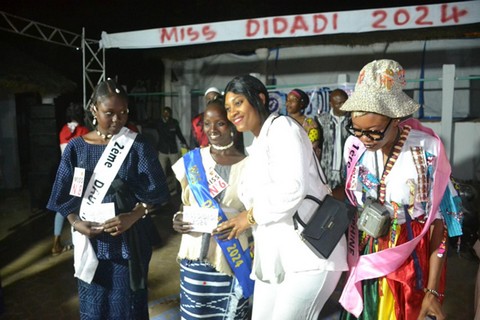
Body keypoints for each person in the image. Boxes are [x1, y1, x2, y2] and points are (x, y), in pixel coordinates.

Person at [338, 59, 463, 320]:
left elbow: (441, 224)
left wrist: (432, 289)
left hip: (410, 257)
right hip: (367, 249)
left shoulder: (427, 149)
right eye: (357, 130)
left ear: (395, 120)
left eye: (372, 132)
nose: (363, 139)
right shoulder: (355, 146)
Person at [215, 75, 348, 320]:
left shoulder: (283, 130)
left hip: (309, 254)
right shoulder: (259, 143)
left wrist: (250, 217)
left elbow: (291, 189)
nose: (232, 112)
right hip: (277, 256)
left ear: (260, 99)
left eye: (238, 102)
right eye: (228, 107)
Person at [47, 78, 169, 320]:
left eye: (123, 113)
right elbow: (65, 194)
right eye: (109, 113)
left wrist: (134, 215)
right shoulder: (77, 148)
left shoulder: (137, 146)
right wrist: (75, 222)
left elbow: (157, 191)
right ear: (94, 110)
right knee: (95, 306)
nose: (117, 120)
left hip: (129, 240)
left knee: (127, 307)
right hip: (90, 242)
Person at [171, 97, 252, 319]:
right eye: (207, 123)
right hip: (195, 255)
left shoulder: (251, 166)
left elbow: (257, 213)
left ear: (233, 125)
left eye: (220, 123)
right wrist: (178, 217)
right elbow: (185, 204)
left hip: (231, 258)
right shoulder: (192, 160)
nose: (212, 130)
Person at [51, 102, 90, 255]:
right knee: (77, 207)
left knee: (62, 207)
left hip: (63, 173)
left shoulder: (63, 131)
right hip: (79, 174)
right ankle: (77, 242)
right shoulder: (84, 131)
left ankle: (56, 243)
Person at [317, 88, 350, 194]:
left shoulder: (353, 121)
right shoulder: (321, 121)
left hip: (347, 172)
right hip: (326, 172)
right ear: (331, 104)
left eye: (345, 102)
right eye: (339, 103)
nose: (343, 106)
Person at [156, 106, 189, 194]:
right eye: (164, 112)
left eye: (168, 112)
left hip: (173, 150)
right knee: (161, 171)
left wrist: (185, 144)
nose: (166, 114)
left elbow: (179, 134)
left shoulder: (174, 122)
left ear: (170, 114)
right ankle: (162, 190)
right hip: (162, 150)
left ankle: (176, 189)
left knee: (176, 171)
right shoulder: (159, 122)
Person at [286, 88, 322, 160]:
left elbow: (312, 148)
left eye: (293, 100)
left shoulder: (310, 123)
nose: (289, 103)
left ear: (301, 103)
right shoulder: (281, 121)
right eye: (287, 100)